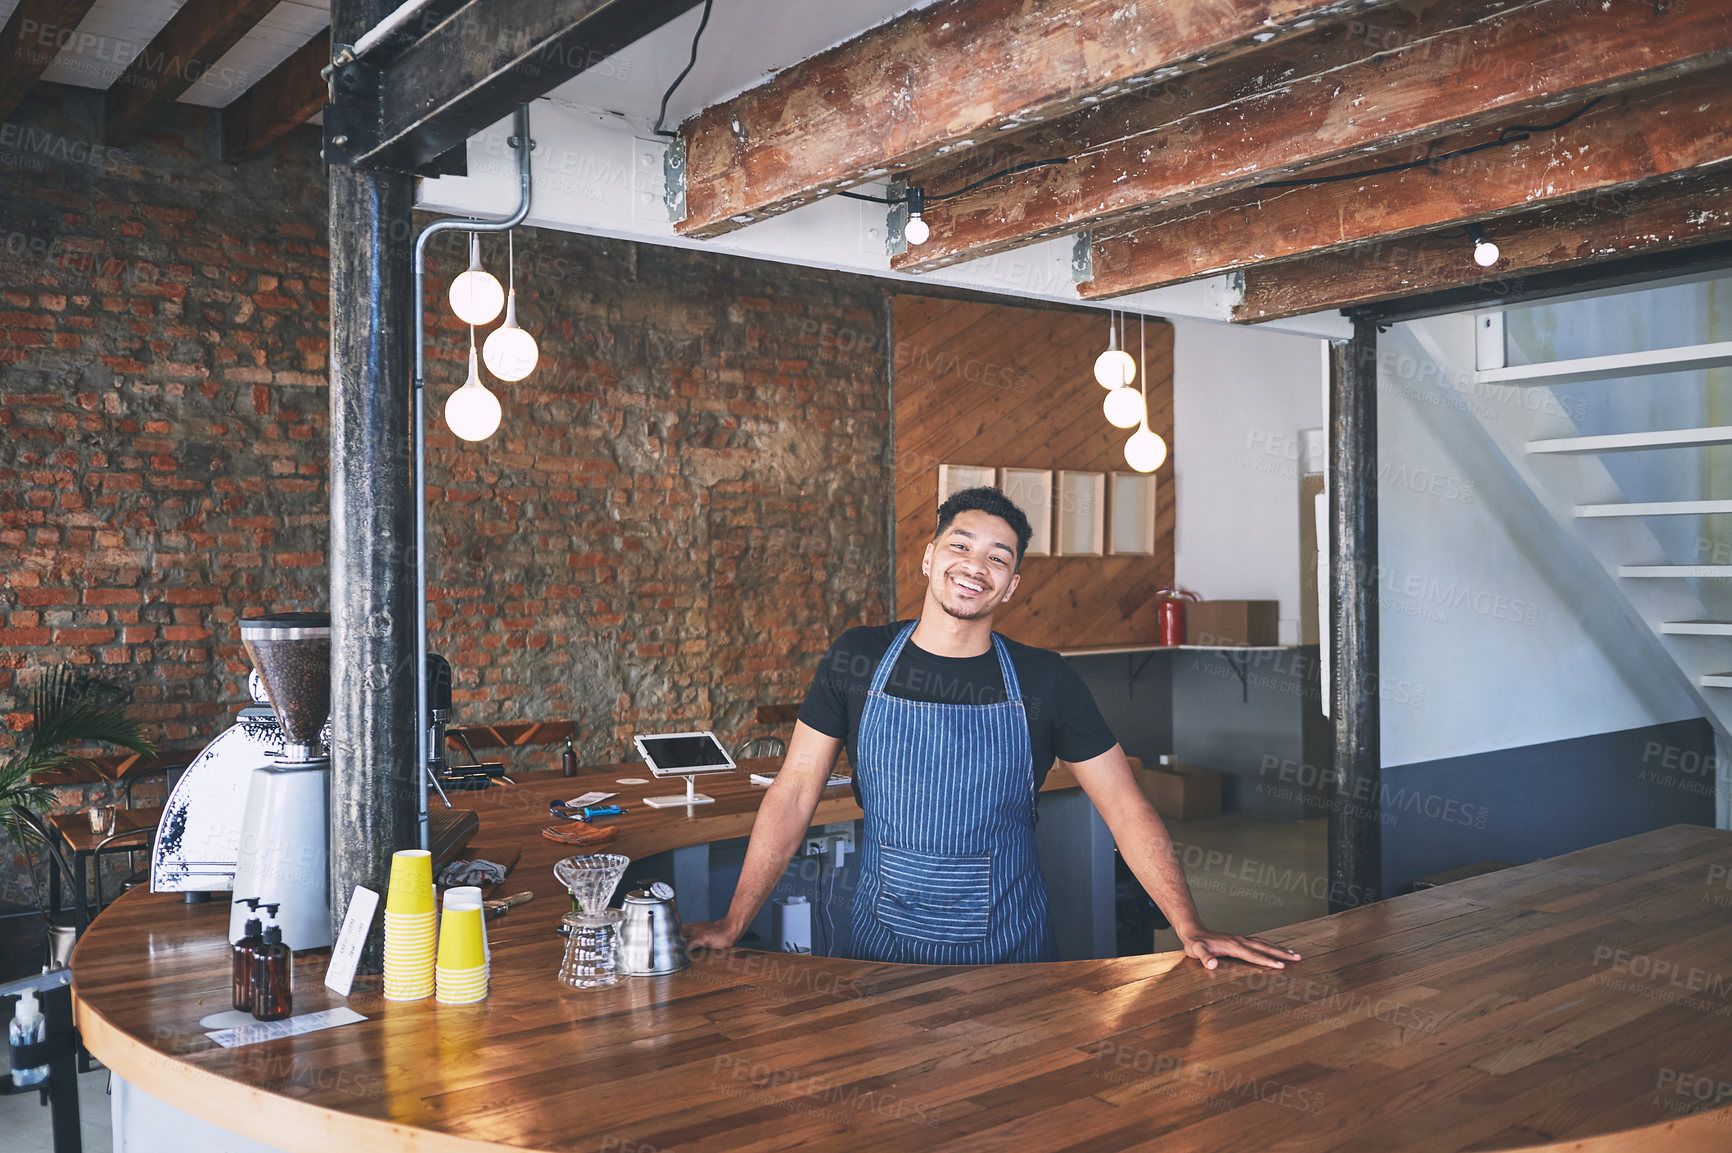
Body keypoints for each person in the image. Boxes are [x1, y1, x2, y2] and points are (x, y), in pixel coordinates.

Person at [685, 487, 1299, 970]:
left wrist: (1188, 925)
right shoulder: (857, 657)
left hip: (1009, 957)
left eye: (997, 558)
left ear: (1011, 586)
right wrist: (734, 922)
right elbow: (793, 793)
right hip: (879, 953)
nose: (975, 566)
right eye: (960, 546)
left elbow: (1125, 807)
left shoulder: (1045, 679)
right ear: (929, 556)